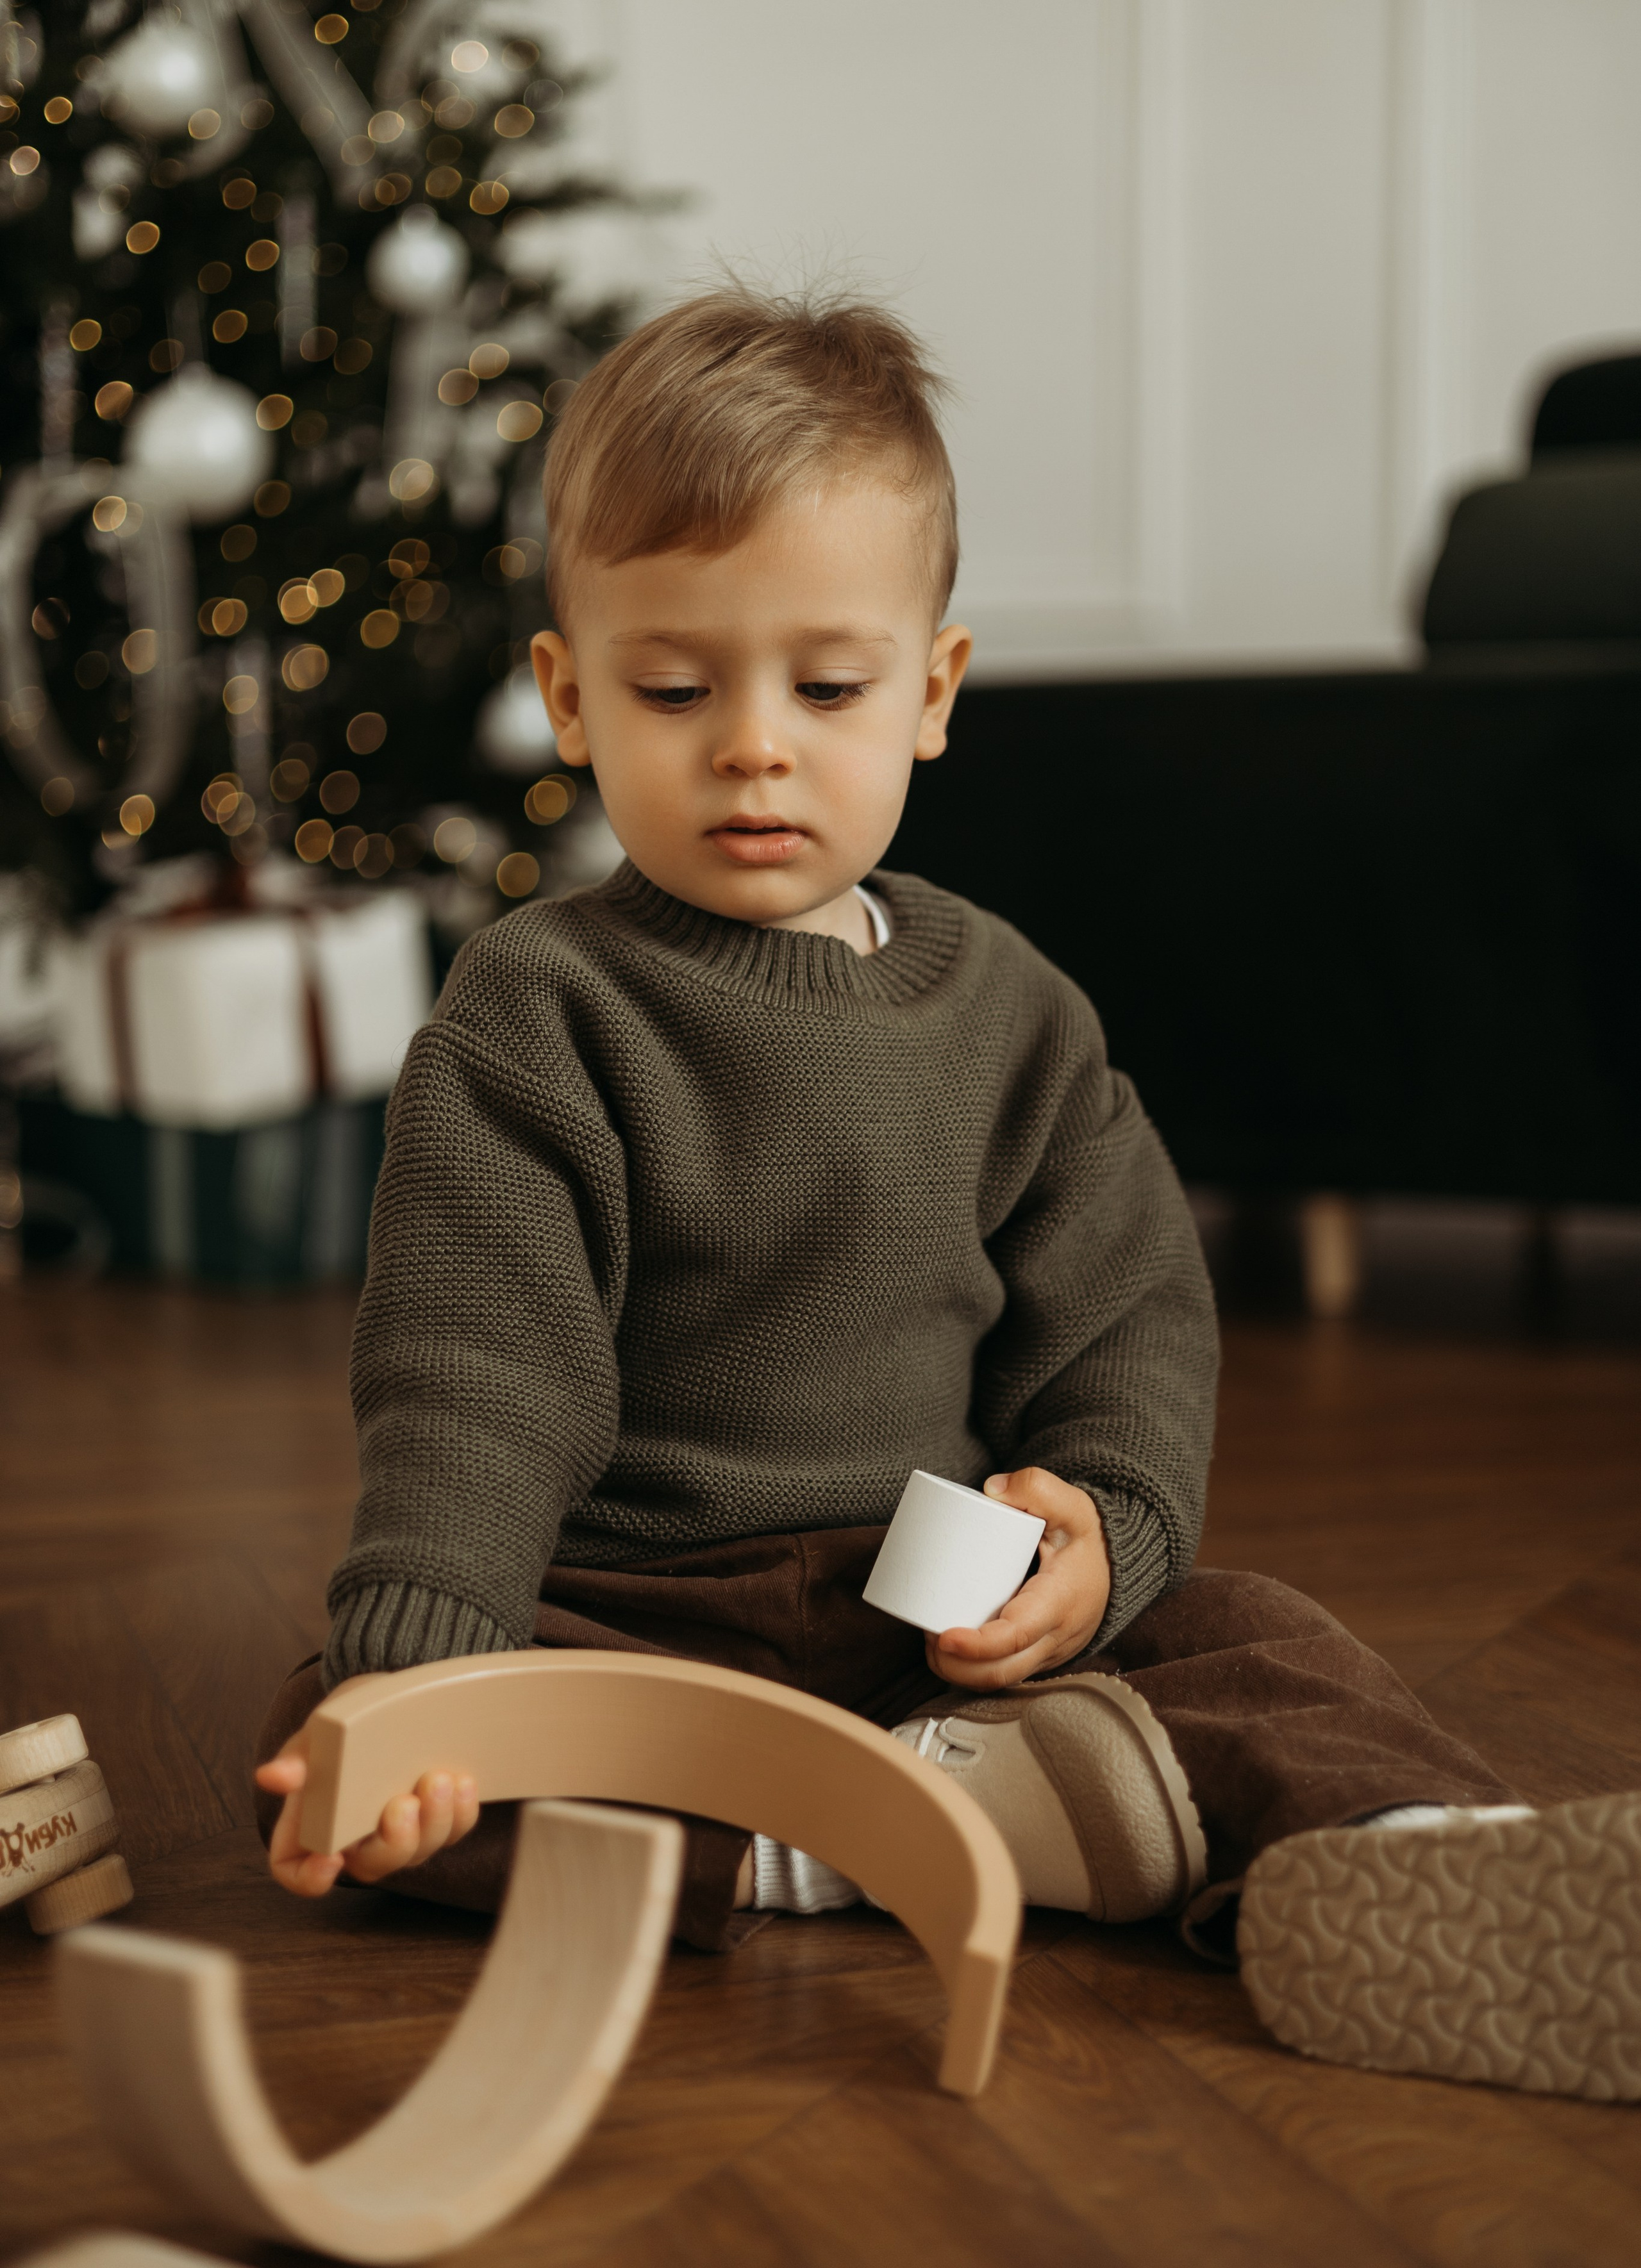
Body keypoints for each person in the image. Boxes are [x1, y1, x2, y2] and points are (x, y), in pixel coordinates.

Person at [254, 289, 1638, 2103]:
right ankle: (857, 1845)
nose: (756, 744)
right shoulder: (537, 1014)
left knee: (1266, 1643)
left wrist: (1104, 1535)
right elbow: (476, 1377)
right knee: (327, 1737)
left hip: (940, 1617)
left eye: (827, 688)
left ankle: (1426, 1859)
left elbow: (1131, 1311)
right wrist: (423, 1682)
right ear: (572, 699)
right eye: (677, 689)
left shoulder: (1012, 1010)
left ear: (933, 693)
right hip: (639, 1616)